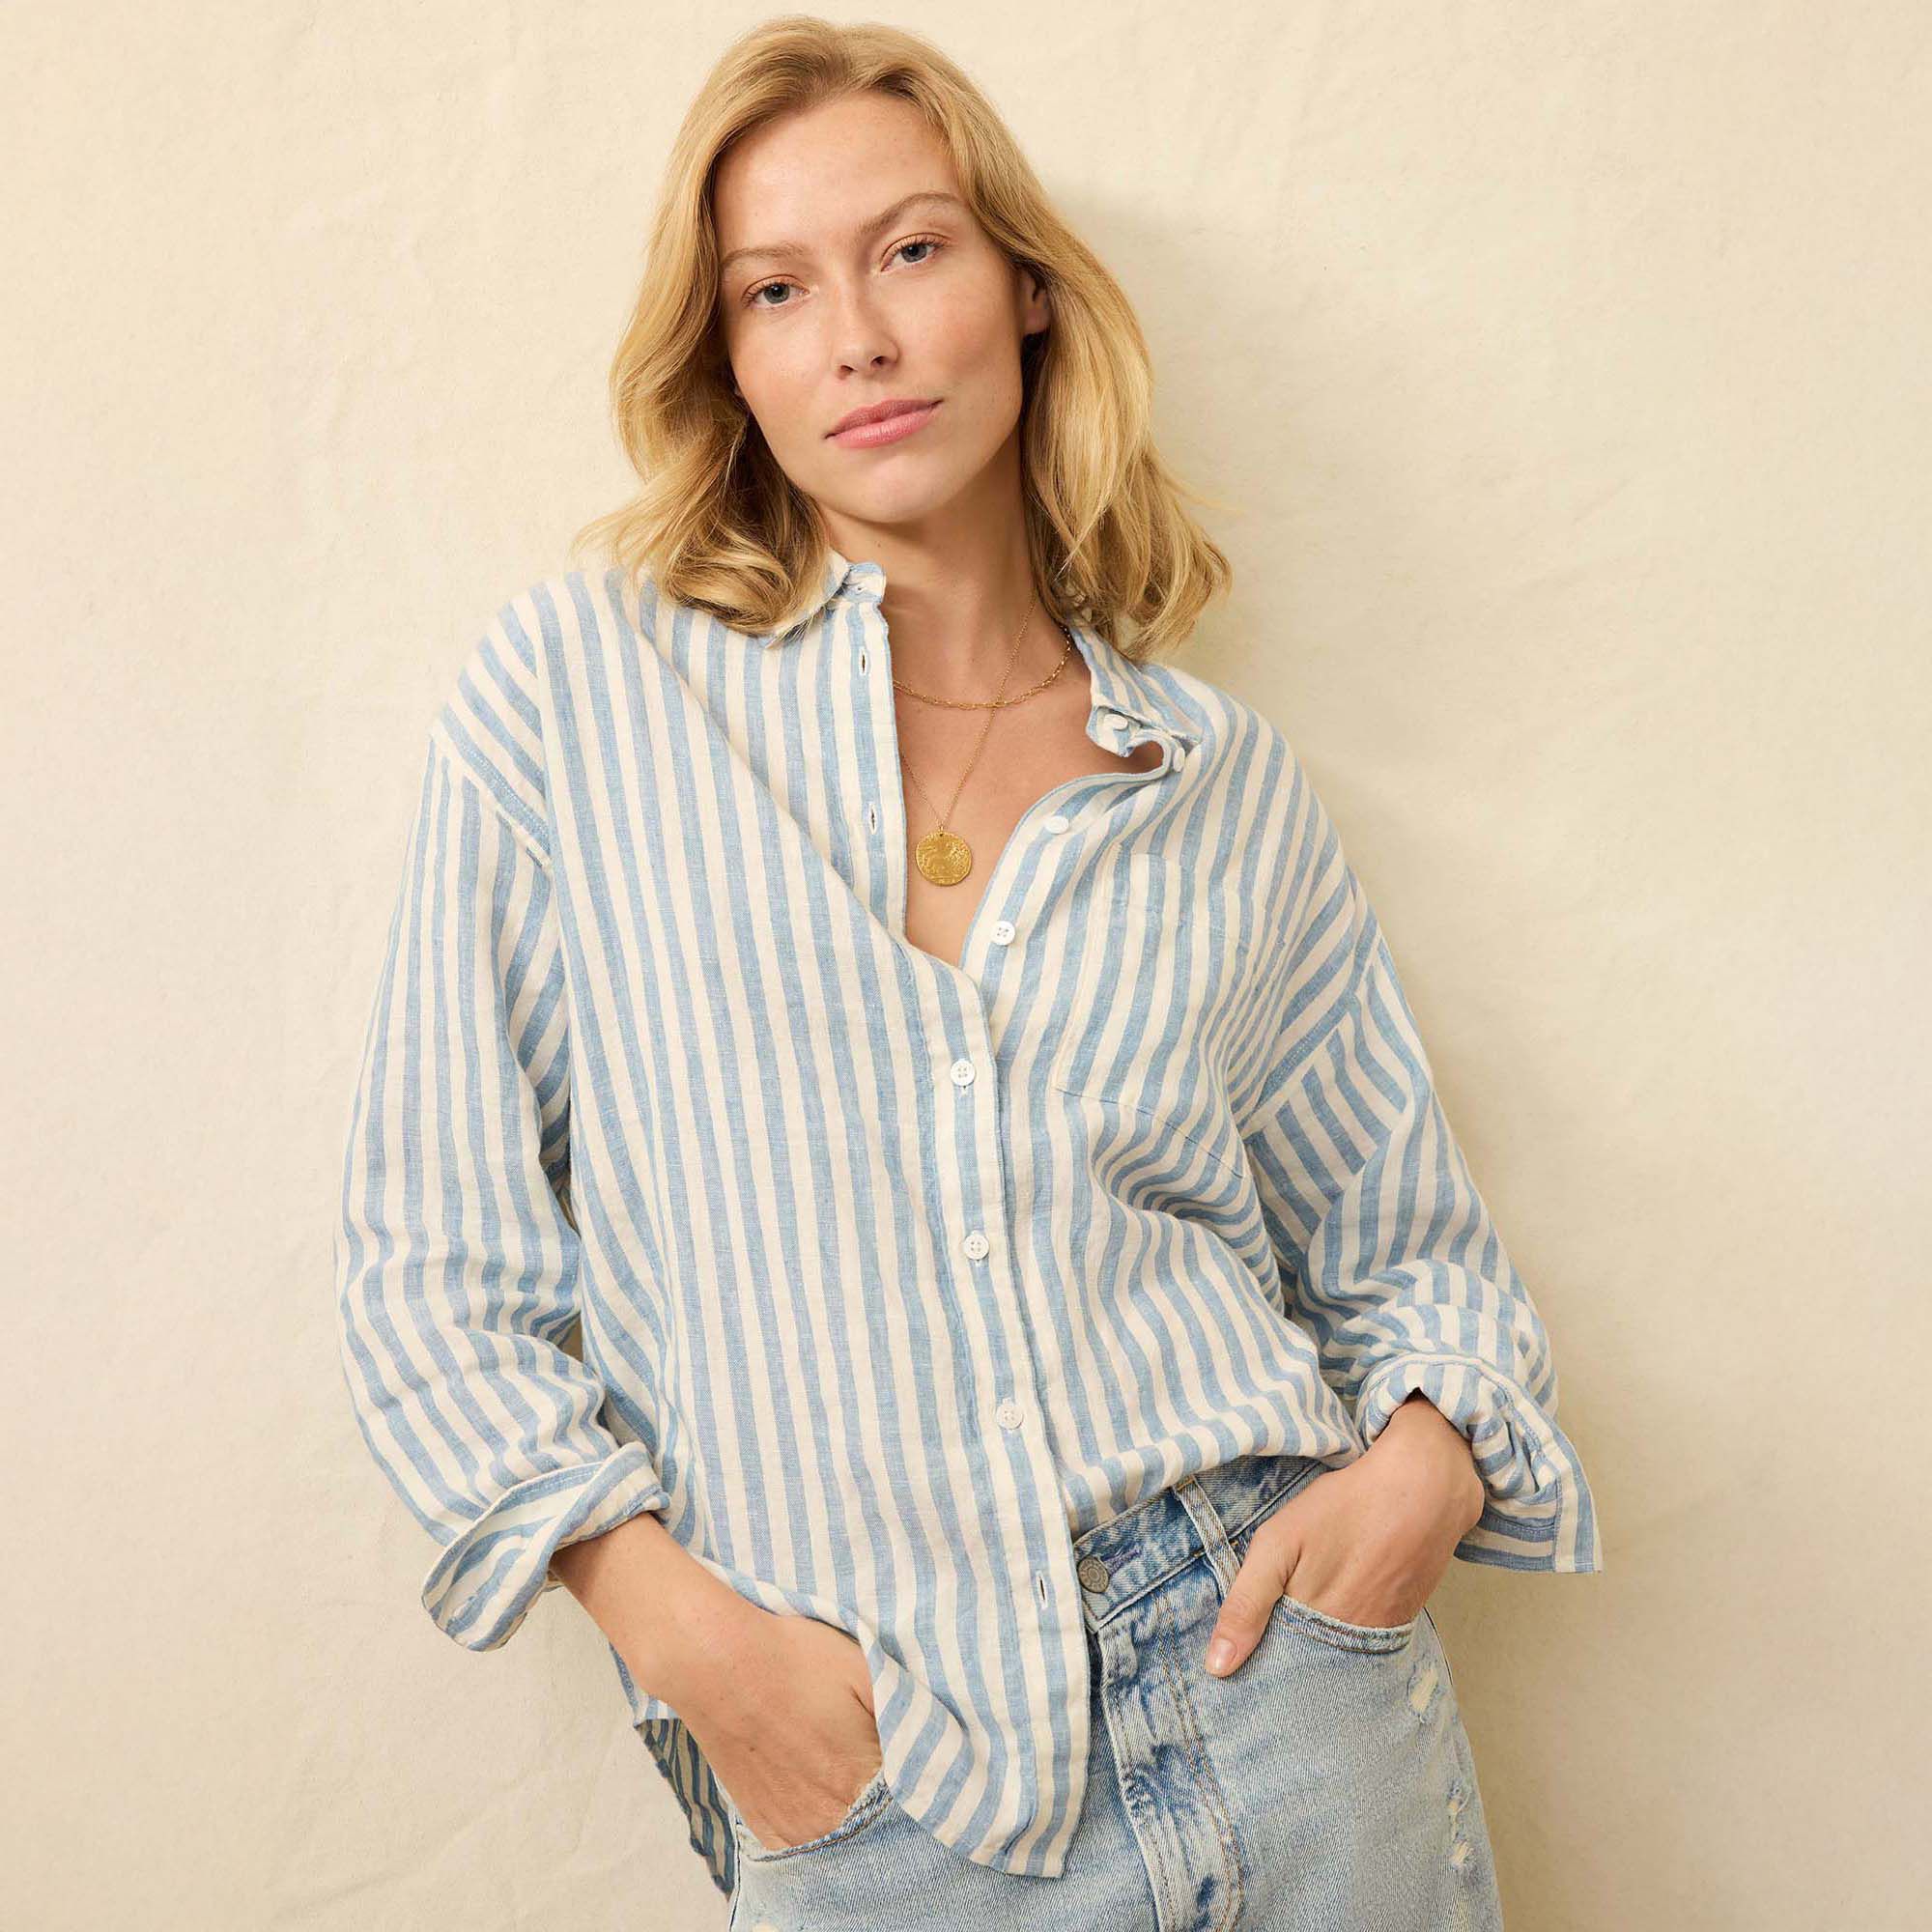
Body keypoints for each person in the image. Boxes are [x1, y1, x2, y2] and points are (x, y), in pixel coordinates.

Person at [332, 17, 1602, 1929]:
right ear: (727, 356)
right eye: (775, 289)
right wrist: (696, 1646)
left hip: (1293, 1698)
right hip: (888, 1782)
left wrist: (1419, 1468)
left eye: (911, 250)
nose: (855, 336)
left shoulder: (1217, 784)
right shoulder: (580, 699)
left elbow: (1405, 1244)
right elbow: (433, 1264)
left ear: (1024, 289)